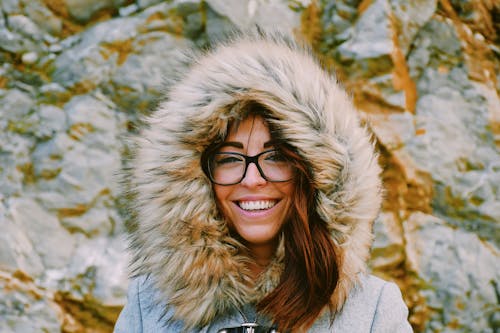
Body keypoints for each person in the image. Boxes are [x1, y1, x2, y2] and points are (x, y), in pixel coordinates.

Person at [114, 31, 413, 332]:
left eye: (275, 157)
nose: (253, 179)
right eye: (230, 159)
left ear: (312, 173)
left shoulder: (373, 309)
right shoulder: (148, 308)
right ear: (197, 178)